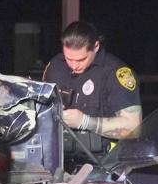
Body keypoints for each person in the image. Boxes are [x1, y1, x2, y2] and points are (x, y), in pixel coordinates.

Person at [42, 21, 142, 153]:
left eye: (81, 59)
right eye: (69, 59)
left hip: (103, 159)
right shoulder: (55, 66)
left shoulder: (114, 72)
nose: (74, 65)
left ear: (95, 47)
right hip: (60, 155)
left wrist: (85, 122)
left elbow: (134, 128)